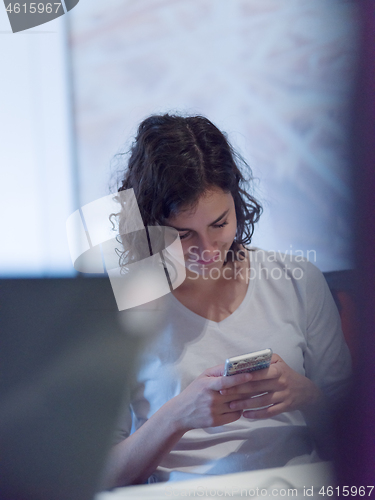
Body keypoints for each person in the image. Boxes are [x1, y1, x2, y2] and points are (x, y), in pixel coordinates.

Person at [104, 114, 351, 487]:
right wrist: (177, 416)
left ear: (237, 203)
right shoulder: (122, 307)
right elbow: (100, 473)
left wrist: (305, 394)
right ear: (150, 228)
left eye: (219, 224)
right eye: (184, 234)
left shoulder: (297, 281)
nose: (207, 251)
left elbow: (357, 434)